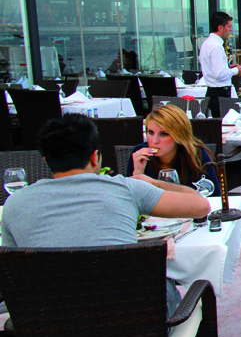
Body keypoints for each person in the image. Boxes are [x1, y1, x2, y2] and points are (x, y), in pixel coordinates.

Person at [0, 114, 211, 313]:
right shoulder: (126, 189)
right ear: (95, 157)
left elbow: (12, 277)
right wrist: (154, 182)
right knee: (162, 282)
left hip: (48, 332)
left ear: (45, 161)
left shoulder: (13, 204)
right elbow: (200, 206)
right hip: (135, 328)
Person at [125, 104, 221, 197]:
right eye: (150, 132)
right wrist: (138, 173)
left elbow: (214, 196)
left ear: (178, 136)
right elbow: (129, 201)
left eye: (163, 134)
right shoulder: (139, 153)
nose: (154, 141)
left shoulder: (196, 153)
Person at [199, 11, 241, 118]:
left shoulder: (207, 43)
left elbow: (214, 68)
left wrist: (227, 68)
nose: (230, 30)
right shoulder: (216, 47)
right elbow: (219, 74)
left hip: (212, 91)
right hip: (220, 93)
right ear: (220, 28)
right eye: (229, 27)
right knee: (224, 126)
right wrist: (236, 71)